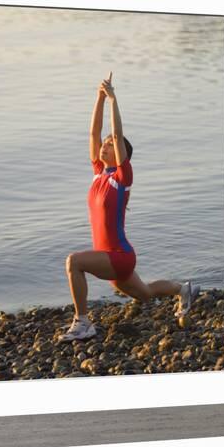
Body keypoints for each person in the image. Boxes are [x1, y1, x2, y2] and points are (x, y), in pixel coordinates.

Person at [59, 72, 199, 342]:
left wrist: (113, 100)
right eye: (106, 143)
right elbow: (93, 132)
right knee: (145, 293)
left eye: (111, 145)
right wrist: (98, 98)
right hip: (111, 258)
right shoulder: (99, 173)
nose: (104, 146)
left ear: (121, 152)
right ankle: (184, 289)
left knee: (74, 262)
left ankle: (83, 322)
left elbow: (118, 132)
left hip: (119, 256)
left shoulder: (122, 179)